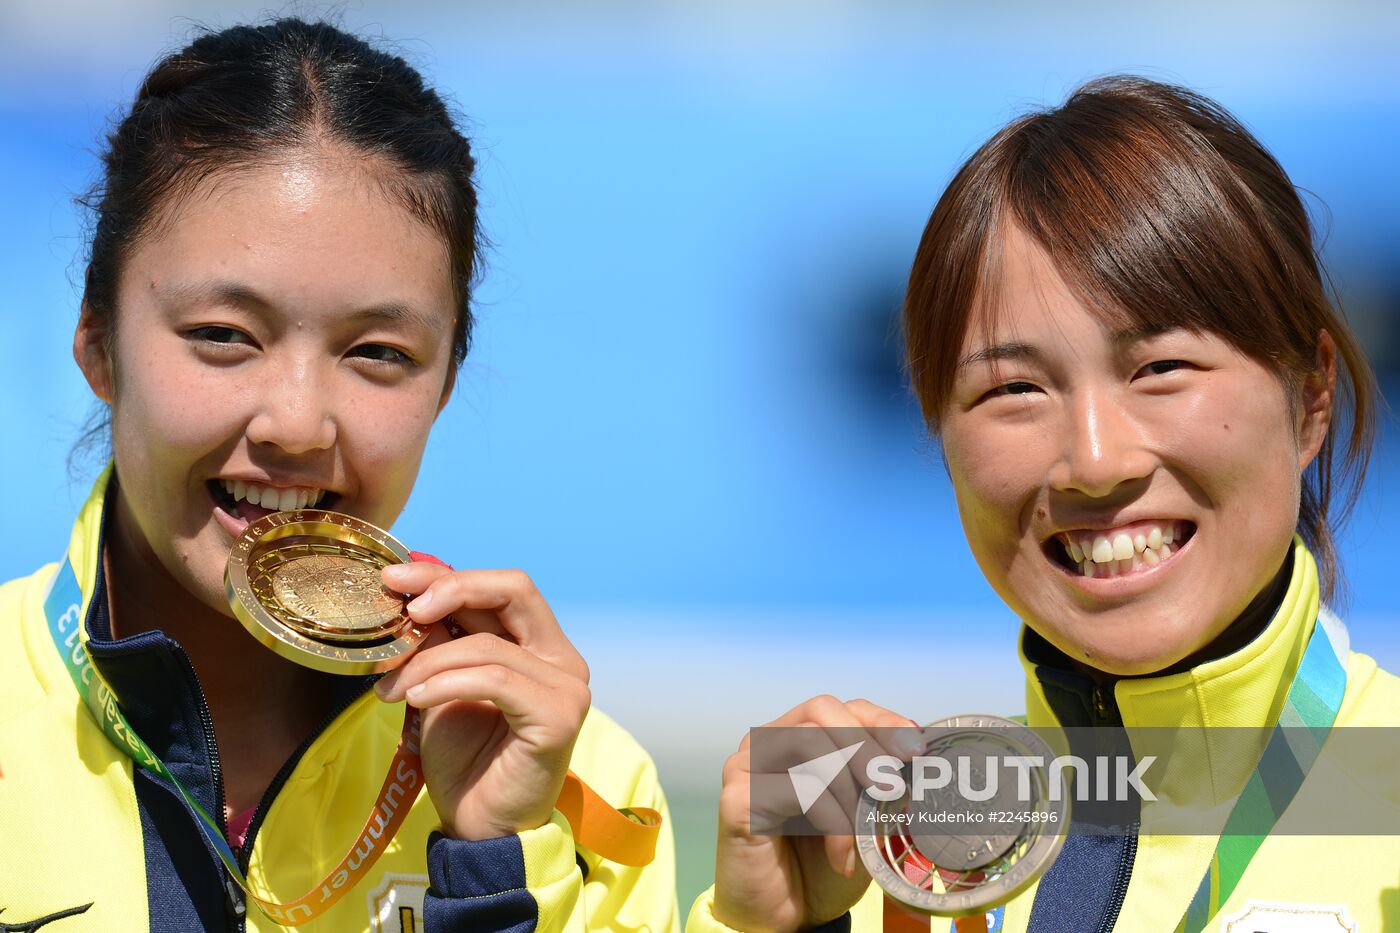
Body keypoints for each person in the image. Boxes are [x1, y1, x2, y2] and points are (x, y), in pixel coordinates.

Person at [0, 18, 677, 933]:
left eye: (378, 352)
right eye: (223, 336)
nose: (296, 424)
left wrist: (491, 863)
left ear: (444, 384)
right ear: (97, 343)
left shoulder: (575, 778)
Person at [688, 77, 1399, 932]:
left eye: (1160, 368)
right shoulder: (892, 856)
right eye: (1015, 388)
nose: (1095, 461)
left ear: (1312, 395)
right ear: (939, 435)